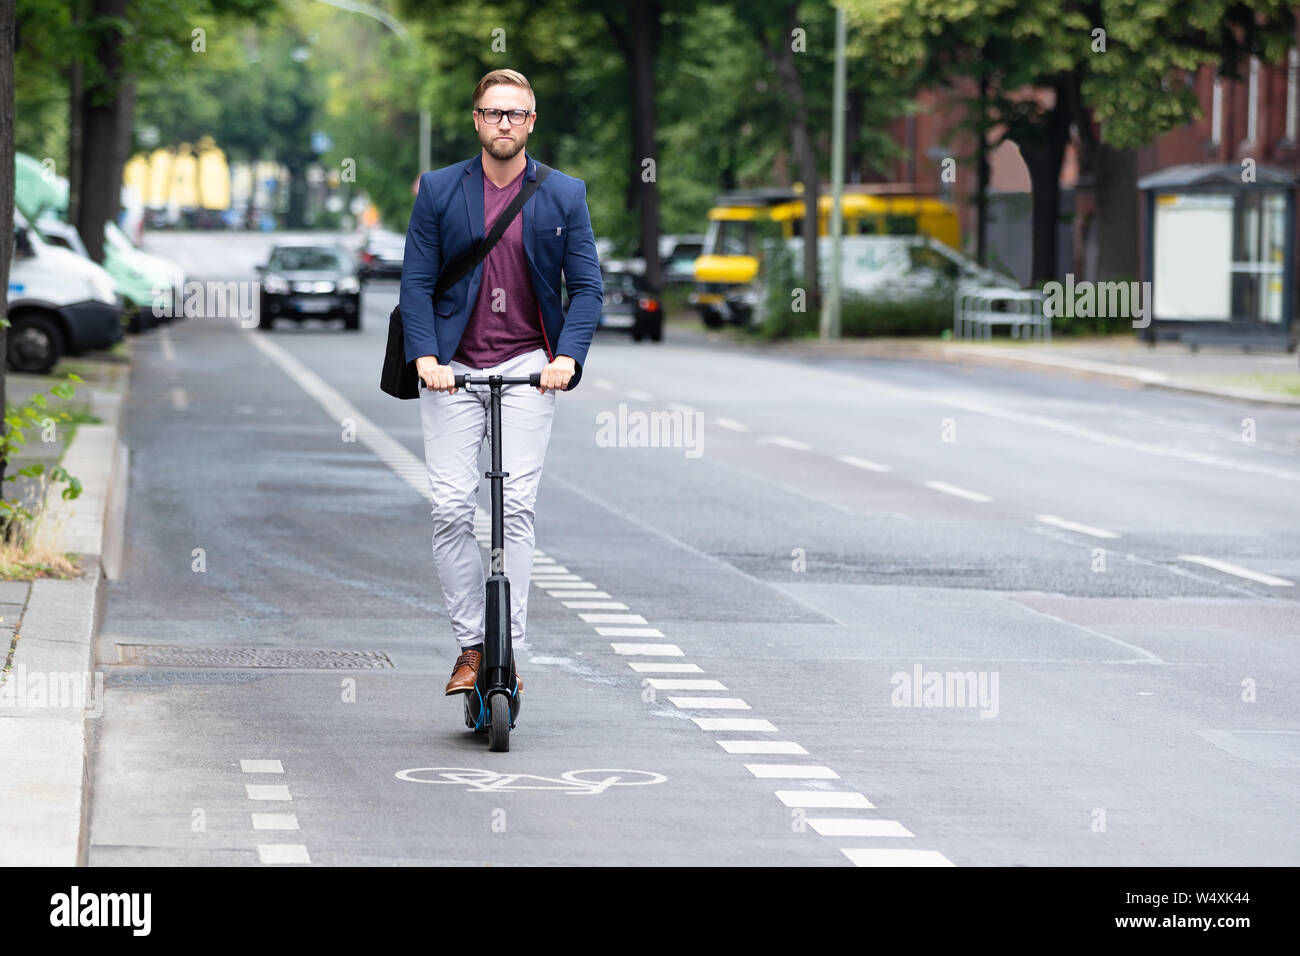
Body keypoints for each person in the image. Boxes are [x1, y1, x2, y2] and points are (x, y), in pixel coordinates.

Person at [399, 68, 602, 697]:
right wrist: (426, 358)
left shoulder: (564, 194)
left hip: (527, 366)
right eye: (493, 113)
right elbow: (415, 282)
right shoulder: (438, 190)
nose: (504, 123)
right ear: (478, 120)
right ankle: (470, 644)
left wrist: (566, 358)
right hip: (452, 367)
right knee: (452, 507)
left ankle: (505, 650)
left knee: (514, 507)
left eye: (515, 113)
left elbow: (588, 288)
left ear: (531, 122)